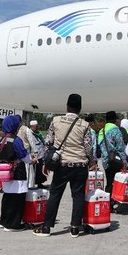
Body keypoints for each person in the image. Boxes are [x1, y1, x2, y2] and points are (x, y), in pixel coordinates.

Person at [33, 94, 95, 238]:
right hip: (80, 166)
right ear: (79, 109)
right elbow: (88, 147)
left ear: (67, 106)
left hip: (62, 165)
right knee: (78, 196)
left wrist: (45, 162)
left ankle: (47, 227)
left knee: (55, 195)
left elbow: (48, 143)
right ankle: (74, 228)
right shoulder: (85, 125)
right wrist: (92, 162)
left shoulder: (56, 121)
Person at [0, 115, 33, 232]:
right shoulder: (15, 140)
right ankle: (13, 224)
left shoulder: (2, 139)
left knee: (7, 196)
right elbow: (24, 156)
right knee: (17, 197)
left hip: (4, 172)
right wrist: (32, 160)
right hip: (16, 171)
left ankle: (4, 221)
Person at [98, 111, 128, 196]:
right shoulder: (115, 130)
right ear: (115, 119)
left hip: (105, 161)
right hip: (115, 160)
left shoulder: (102, 130)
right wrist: (124, 162)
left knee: (109, 181)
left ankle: (107, 202)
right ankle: (112, 203)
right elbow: (120, 147)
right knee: (115, 182)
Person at [29, 120, 47, 188]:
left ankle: (40, 183)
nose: (37, 128)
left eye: (37, 126)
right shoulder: (30, 134)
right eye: (36, 126)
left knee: (40, 170)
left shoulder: (39, 133)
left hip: (41, 154)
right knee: (34, 171)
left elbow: (44, 141)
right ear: (31, 127)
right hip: (34, 155)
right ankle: (32, 184)